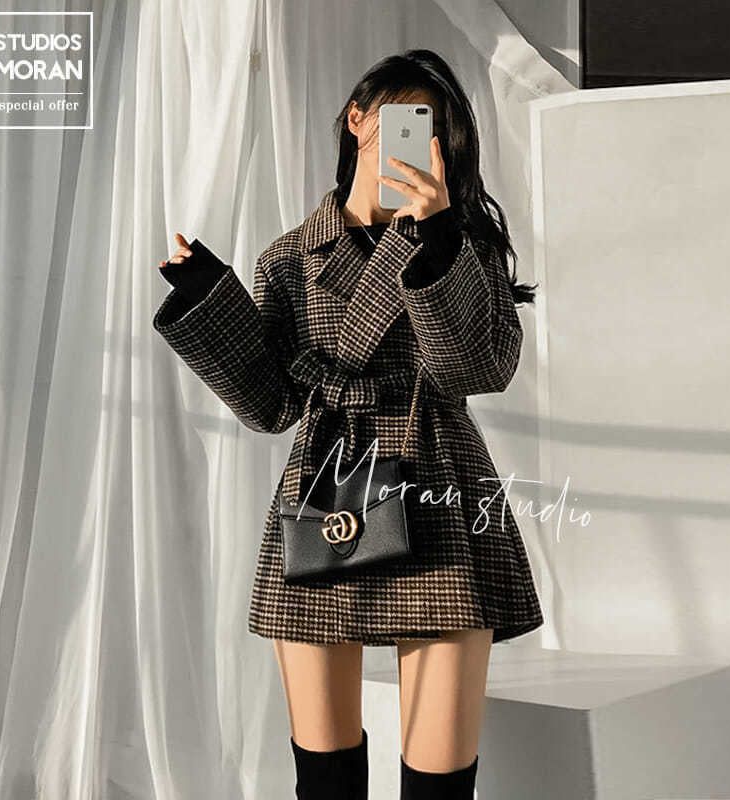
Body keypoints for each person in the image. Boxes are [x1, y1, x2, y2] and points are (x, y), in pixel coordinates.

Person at [153, 48, 542, 800]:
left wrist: (435, 245)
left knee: (439, 781)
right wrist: (207, 297)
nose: (417, 138)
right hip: (325, 491)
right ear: (358, 118)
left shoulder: (462, 246)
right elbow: (271, 406)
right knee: (325, 779)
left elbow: (479, 371)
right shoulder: (290, 259)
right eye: (404, 117)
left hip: (436, 486)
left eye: (433, 128)